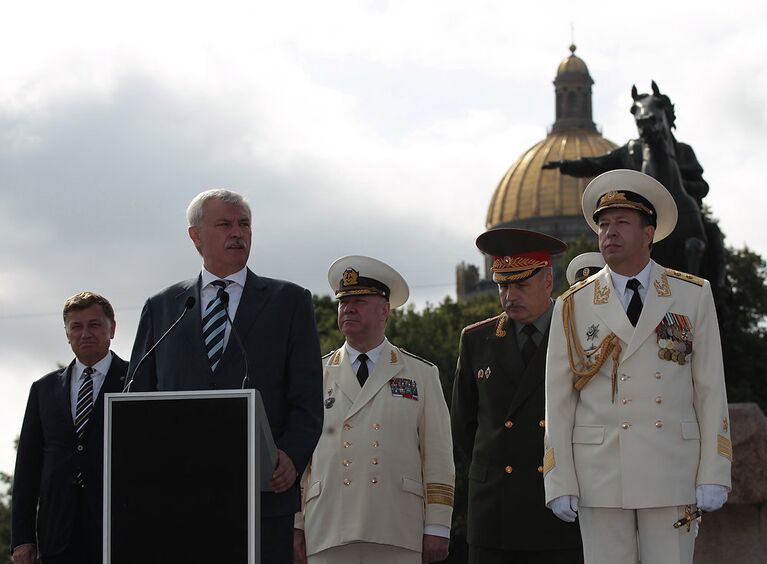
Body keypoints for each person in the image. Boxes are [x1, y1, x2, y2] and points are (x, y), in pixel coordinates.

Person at [544, 169, 731, 564]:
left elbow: (710, 389)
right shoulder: (572, 304)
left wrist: (715, 470)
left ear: (649, 233)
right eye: (603, 224)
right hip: (600, 476)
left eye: (622, 223)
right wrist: (558, 478)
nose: (609, 232)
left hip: (672, 470)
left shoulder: (691, 295)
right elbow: (558, 401)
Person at [127, 189, 323, 563]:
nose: (238, 233)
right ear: (195, 236)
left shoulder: (289, 302)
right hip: (179, 499)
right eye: (225, 224)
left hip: (262, 498)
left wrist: (291, 456)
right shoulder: (163, 307)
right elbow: (138, 397)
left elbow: (308, 398)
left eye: (244, 224)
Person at [294, 255, 455, 564]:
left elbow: (438, 456)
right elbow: (301, 458)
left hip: (397, 527)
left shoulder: (421, 374)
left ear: (385, 310)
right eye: (343, 302)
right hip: (327, 528)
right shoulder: (314, 374)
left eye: (360, 300)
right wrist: (295, 525)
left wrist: (438, 524)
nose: (348, 308)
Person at [452, 229, 583, 563]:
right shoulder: (476, 340)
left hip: (560, 507)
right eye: (502, 285)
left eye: (521, 285)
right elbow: (464, 425)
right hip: (496, 510)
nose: (510, 296)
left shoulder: (580, 334)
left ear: (547, 281)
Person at [11, 292, 128, 564]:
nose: (85, 333)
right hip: (57, 538)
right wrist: (22, 537)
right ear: (67, 334)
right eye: (76, 326)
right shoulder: (44, 389)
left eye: (94, 324)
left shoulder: (136, 380)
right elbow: (27, 467)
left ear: (112, 328)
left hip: (117, 535)